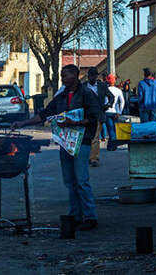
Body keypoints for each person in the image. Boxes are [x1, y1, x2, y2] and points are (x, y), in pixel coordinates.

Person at [12, 64, 100, 230]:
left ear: (74, 75)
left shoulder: (87, 94)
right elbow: (44, 114)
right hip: (65, 143)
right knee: (70, 181)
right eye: (61, 76)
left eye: (65, 75)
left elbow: (94, 117)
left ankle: (90, 216)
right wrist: (23, 123)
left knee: (81, 180)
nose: (62, 79)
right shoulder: (61, 96)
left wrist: (75, 122)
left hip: (82, 142)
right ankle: (75, 215)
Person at [83, 67, 114, 167]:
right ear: (88, 76)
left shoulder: (102, 86)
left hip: (98, 115)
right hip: (85, 116)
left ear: (96, 76)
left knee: (95, 137)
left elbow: (111, 96)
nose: (92, 78)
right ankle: (87, 156)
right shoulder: (83, 86)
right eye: (90, 76)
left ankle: (94, 158)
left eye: (94, 76)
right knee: (86, 138)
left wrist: (108, 105)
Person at [105, 74, 125, 150]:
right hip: (115, 112)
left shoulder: (105, 89)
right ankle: (111, 146)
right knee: (114, 129)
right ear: (114, 81)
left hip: (107, 111)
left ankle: (112, 145)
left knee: (110, 129)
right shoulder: (118, 90)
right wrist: (120, 111)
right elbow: (122, 101)